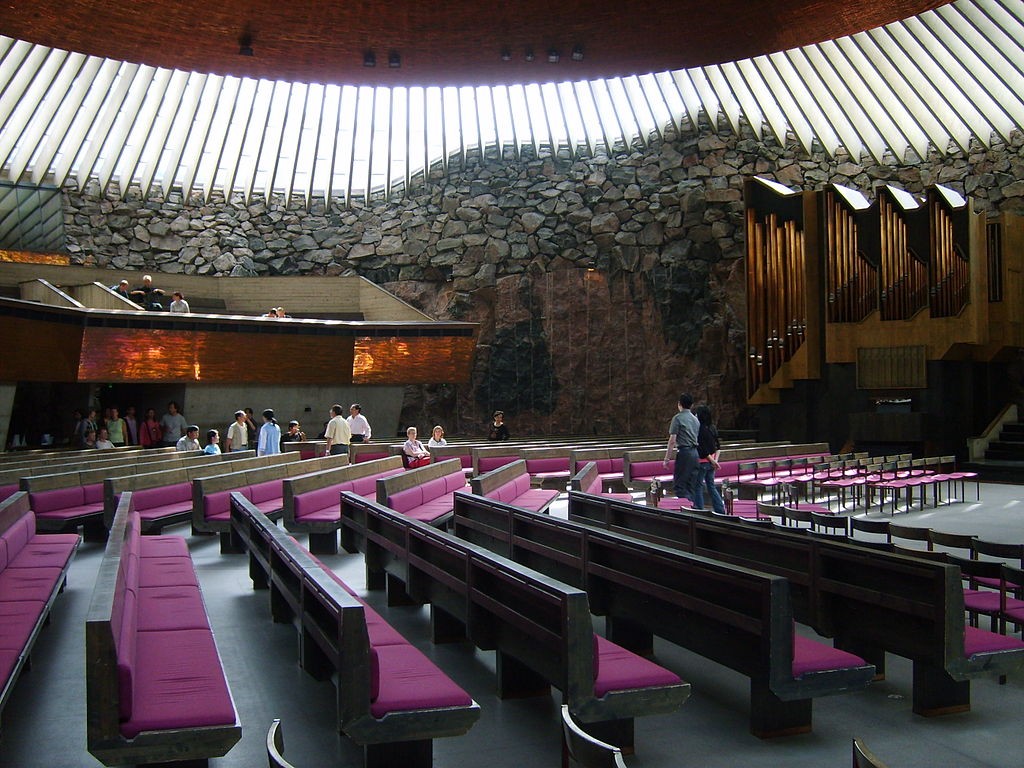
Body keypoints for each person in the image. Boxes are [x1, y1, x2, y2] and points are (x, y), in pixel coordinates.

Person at [663, 393, 700, 501]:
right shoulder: (695, 419)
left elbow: (672, 440)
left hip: (684, 453)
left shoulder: (678, 418)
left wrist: (667, 458)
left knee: (680, 486)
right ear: (691, 405)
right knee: (691, 486)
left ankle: (686, 509)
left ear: (679, 404)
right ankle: (693, 507)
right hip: (695, 453)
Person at [693, 404, 726, 514]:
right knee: (711, 486)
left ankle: (699, 509)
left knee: (698, 486)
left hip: (702, 462)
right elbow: (718, 447)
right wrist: (715, 461)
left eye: (696, 414)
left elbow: (702, 449)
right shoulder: (712, 427)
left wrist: (712, 461)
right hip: (712, 462)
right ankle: (720, 509)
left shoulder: (699, 429)